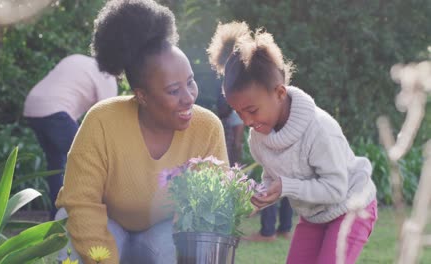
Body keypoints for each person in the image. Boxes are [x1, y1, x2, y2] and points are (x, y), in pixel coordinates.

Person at [55, 1, 228, 263]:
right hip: (107, 228)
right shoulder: (102, 121)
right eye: (173, 90)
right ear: (142, 96)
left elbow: (212, 208)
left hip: (162, 237)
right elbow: (81, 202)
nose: (189, 97)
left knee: (179, 241)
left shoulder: (207, 128)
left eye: (190, 82)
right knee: (66, 220)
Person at [207, 21, 377, 263]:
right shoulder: (259, 136)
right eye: (238, 112)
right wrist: (260, 196)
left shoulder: (319, 130)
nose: (246, 121)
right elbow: (273, 175)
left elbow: (336, 189)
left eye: (252, 110)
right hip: (315, 216)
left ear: (279, 93)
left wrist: (286, 186)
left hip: (351, 207)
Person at [23, 54, 118, 219]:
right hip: (55, 111)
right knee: (92, 160)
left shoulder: (77, 59)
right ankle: (98, 216)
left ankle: (56, 218)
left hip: (33, 108)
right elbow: (108, 120)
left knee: (56, 165)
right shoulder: (107, 76)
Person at [217, 93, 244, 166]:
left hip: (230, 155)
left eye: (223, 103)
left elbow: (237, 142)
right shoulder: (223, 117)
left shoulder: (236, 117)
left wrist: (236, 161)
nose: (221, 105)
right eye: (220, 103)